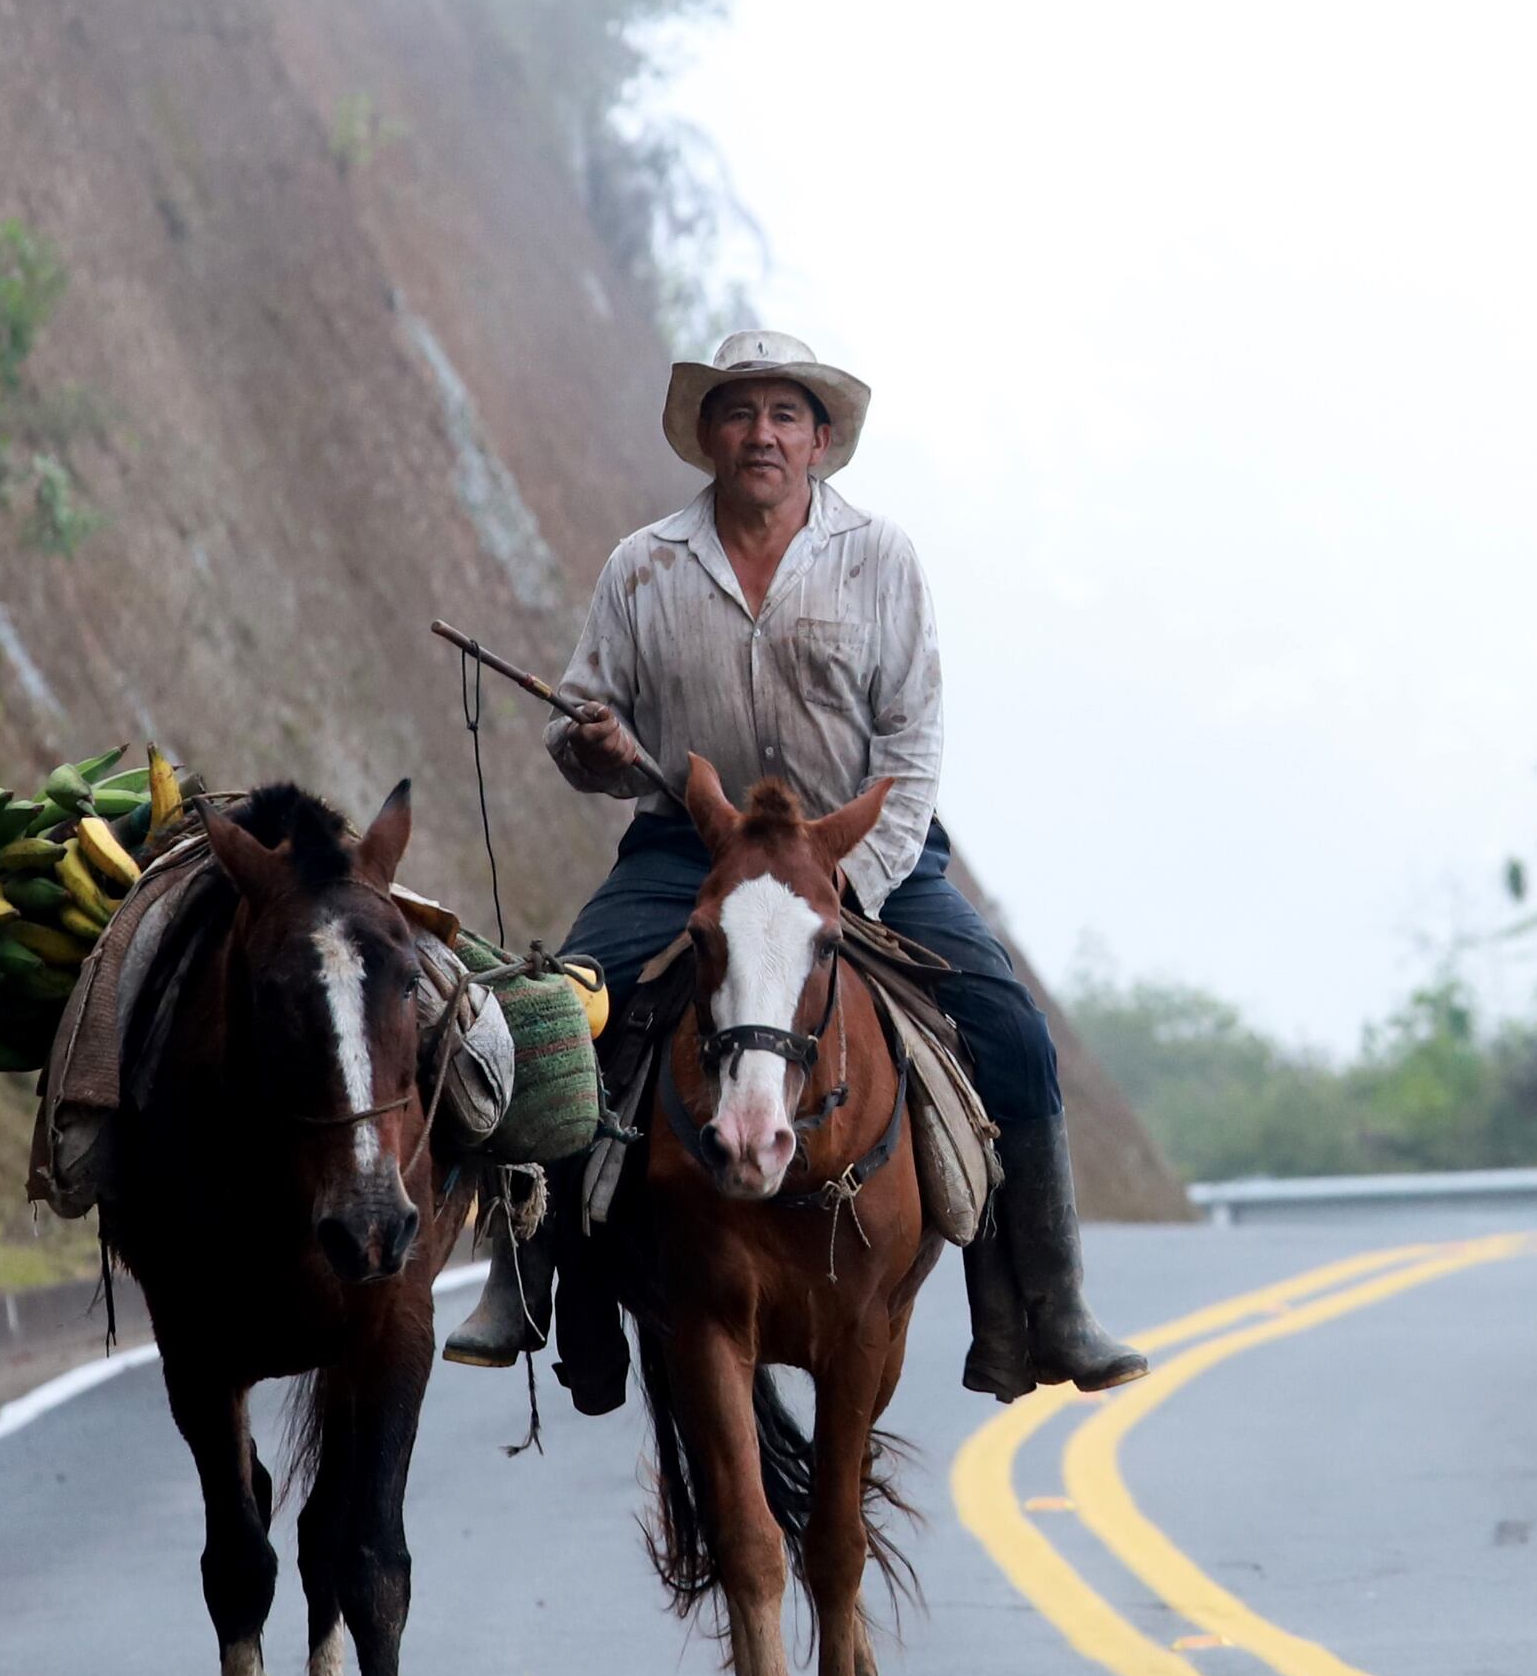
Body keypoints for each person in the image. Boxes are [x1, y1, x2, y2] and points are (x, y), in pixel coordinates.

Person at [445, 327, 1146, 1410]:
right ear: (707, 437)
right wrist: (592, 748)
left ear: (820, 441)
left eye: (784, 415)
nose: (761, 434)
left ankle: (1043, 1309)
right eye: (740, 413)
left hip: (856, 852)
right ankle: (536, 1288)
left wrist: (845, 883)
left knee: (1009, 1027)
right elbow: (583, 727)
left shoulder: (882, 558)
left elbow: (912, 745)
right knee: (556, 1015)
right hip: (688, 852)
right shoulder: (643, 565)